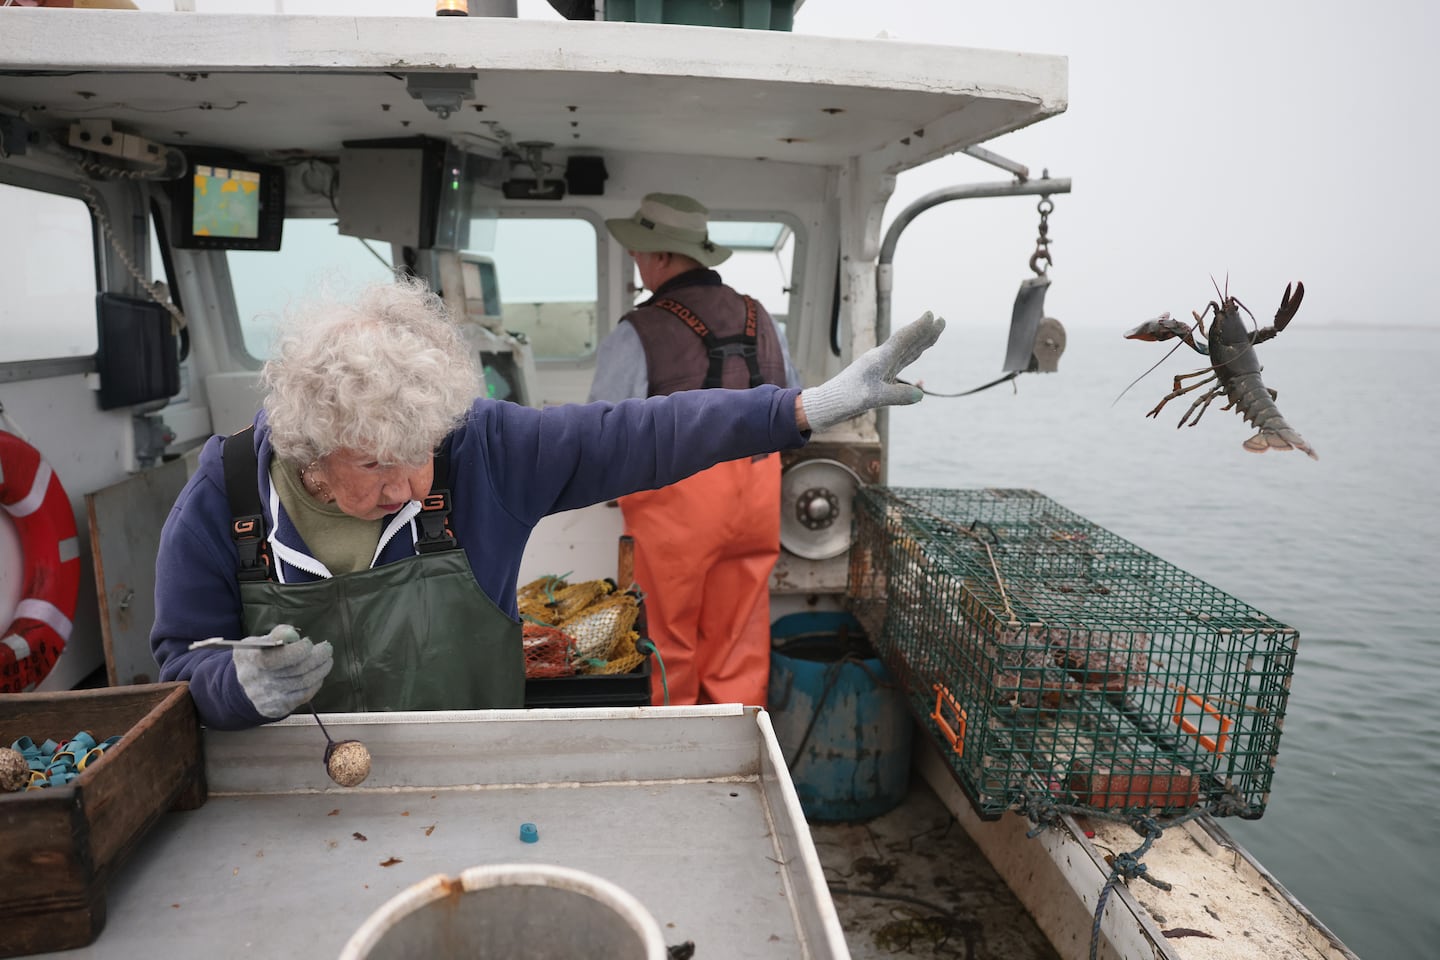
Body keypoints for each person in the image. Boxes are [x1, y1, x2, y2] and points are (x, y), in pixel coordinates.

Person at [151, 275, 944, 731]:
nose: (406, 487)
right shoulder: (222, 498)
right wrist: (235, 687)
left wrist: (801, 408)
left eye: (419, 455)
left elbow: (636, 432)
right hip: (293, 793)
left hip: (478, 771)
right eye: (375, 466)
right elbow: (182, 663)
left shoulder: (478, 448)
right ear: (310, 451)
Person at [589, 192, 799, 708]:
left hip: (678, 506)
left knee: (667, 641)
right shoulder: (762, 319)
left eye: (639, 250)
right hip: (756, 495)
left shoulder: (638, 331)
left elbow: (601, 430)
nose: (637, 261)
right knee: (738, 641)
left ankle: (676, 762)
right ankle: (736, 749)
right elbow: (796, 403)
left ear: (660, 256)